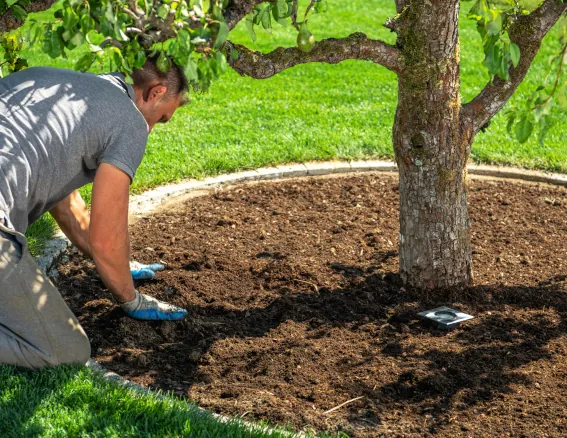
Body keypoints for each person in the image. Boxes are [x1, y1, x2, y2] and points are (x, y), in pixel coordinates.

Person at [0, 55, 189, 369]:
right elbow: (106, 238)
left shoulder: (53, 83)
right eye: (160, 118)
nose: (151, 129)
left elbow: (67, 204)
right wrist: (131, 298)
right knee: (65, 349)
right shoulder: (130, 121)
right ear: (154, 93)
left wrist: (121, 264)